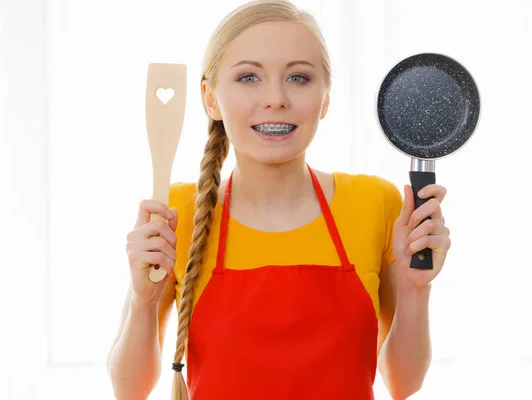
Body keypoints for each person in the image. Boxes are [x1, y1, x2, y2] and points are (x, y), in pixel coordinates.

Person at [107, 0, 451, 399]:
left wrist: (414, 289)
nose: (275, 98)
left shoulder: (376, 202)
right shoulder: (175, 211)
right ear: (210, 98)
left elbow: (403, 383)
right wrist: (142, 298)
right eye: (249, 77)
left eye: (299, 78)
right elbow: (129, 389)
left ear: (325, 98)